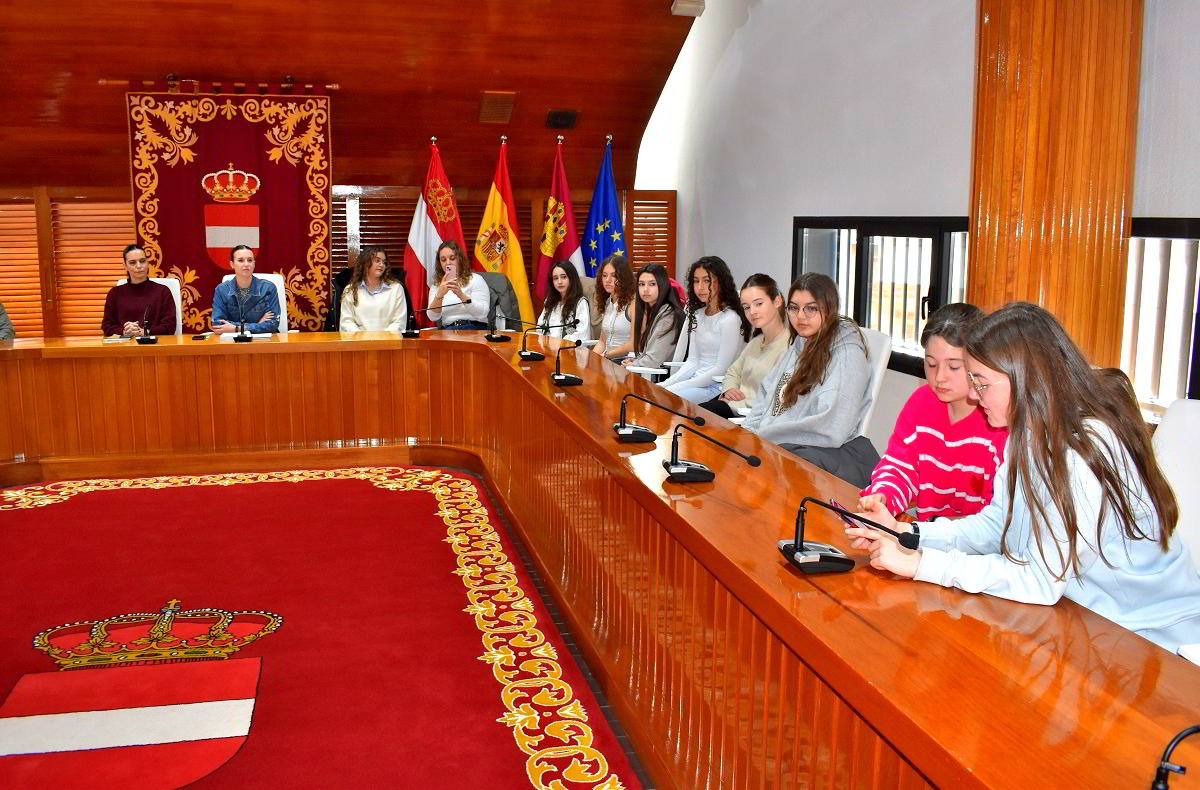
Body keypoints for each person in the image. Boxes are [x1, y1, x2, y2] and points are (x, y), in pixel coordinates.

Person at [845, 303, 1200, 653]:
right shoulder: (1029, 428)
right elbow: (997, 524)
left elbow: (1039, 580)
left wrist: (922, 564)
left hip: (1150, 635)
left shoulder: (1083, 453)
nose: (972, 394)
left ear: (1024, 378)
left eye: (981, 383)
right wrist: (909, 533)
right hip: (1084, 614)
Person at [859, 303, 1008, 520]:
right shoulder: (922, 402)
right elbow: (900, 466)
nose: (939, 377)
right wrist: (882, 496)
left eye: (954, 367)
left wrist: (930, 531)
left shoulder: (997, 421)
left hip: (972, 545)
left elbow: (995, 520)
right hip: (927, 534)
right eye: (931, 364)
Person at [742, 272, 875, 486]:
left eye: (811, 308)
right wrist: (748, 433)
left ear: (829, 308)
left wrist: (765, 436)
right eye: (794, 308)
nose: (800, 316)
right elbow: (767, 396)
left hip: (812, 461)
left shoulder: (848, 356)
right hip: (777, 446)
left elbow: (831, 428)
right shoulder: (800, 345)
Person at [699, 273, 789, 419]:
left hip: (747, 415)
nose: (752, 312)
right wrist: (730, 388)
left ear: (777, 301)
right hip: (730, 406)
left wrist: (735, 402)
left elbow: (774, 398)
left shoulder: (789, 347)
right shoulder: (756, 342)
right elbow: (732, 373)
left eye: (759, 304)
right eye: (746, 307)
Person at [661, 256, 750, 403]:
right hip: (694, 382)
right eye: (696, 281)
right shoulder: (698, 315)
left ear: (721, 282)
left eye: (706, 280)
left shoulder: (730, 319)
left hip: (716, 387)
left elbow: (721, 369)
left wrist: (677, 386)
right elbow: (692, 362)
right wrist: (666, 383)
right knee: (658, 392)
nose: (700, 287)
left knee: (666, 398)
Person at [101, 244, 177, 337]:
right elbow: (107, 327)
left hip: (155, 347)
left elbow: (170, 326)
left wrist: (145, 332)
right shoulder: (115, 294)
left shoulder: (163, 292)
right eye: (132, 262)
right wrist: (125, 332)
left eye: (142, 261)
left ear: (147, 263)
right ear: (125, 266)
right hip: (124, 347)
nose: (138, 266)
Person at [622, 263, 684, 369]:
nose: (645, 289)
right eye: (641, 284)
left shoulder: (668, 315)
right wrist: (638, 360)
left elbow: (653, 361)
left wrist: (634, 364)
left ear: (662, 285)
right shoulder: (657, 310)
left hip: (662, 379)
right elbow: (652, 353)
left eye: (652, 284)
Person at [212, 245, 281, 334]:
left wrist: (237, 328)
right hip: (232, 343)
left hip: (264, 342)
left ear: (254, 264)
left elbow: (273, 324)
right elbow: (218, 325)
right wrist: (257, 324)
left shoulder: (268, 288)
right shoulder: (221, 290)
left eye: (250, 260)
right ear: (232, 264)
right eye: (241, 260)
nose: (246, 264)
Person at [339, 246, 408, 332]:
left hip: (388, 342)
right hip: (359, 343)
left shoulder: (396, 288)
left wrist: (382, 339)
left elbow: (399, 322)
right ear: (365, 263)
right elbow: (346, 322)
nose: (382, 265)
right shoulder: (351, 290)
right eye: (377, 261)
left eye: (384, 262)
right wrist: (362, 339)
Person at [427, 240, 490, 330]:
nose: (448, 263)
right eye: (443, 260)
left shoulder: (476, 279)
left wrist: (461, 295)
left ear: (460, 259)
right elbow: (433, 317)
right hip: (449, 330)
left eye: (452, 258)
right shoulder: (437, 286)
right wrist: (439, 295)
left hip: (475, 328)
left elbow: (483, 313)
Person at [535, 261, 592, 341]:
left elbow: (582, 334)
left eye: (564, 277)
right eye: (555, 278)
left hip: (568, 350)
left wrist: (558, 344)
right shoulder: (550, 301)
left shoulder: (580, 302)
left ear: (572, 278)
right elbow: (540, 329)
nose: (559, 282)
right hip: (547, 349)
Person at [594, 254, 635, 359]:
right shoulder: (608, 302)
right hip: (607, 359)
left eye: (614, 275)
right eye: (604, 275)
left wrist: (606, 356)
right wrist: (591, 358)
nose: (608, 280)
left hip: (625, 362)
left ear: (624, 278)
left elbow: (633, 344)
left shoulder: (633, 304)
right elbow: (602, 342)